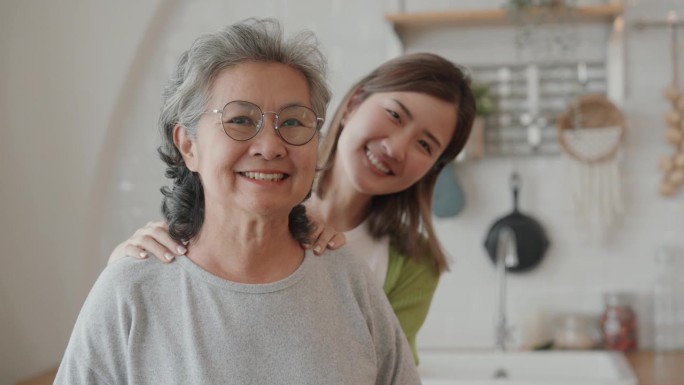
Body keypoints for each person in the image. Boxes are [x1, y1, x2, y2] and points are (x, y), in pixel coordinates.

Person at [55, 18, 420, 384]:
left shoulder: (350, 281)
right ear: (188, 146)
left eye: (293, 123)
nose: (271, 147)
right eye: (241, 120)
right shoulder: (129, 292)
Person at [110, 49, 476, 362]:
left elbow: (377, 366)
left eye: (425, 145)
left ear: (434, 167)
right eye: (395, 115)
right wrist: (126, 270)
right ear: (354, 103)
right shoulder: (253, 193)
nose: (396, 148)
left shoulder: (414, 262)